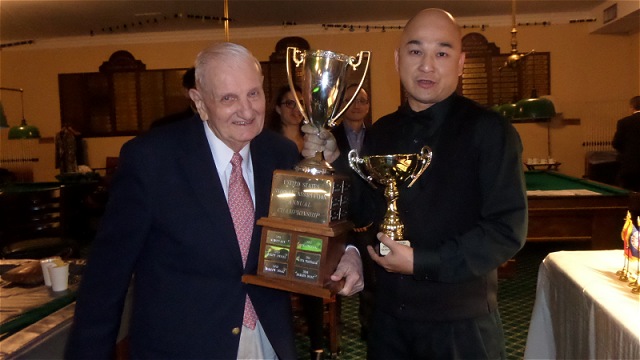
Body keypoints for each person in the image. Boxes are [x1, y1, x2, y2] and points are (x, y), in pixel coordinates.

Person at [65, 42, 363, 360]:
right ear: (200, 102)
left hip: (267, 340)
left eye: (253, 93)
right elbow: (107, 276)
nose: (247, 111)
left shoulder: (281, 153)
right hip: (183, 347)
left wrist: (348, 253)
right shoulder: (151, 159)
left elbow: (311, 230)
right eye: (228, 98)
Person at [303, 8, 527, 359]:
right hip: (387, 320)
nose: (427, 65)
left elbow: (506, 231)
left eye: (442, 52)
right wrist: (353, 253)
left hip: (460, 326)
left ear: (461, 62)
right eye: (415, 50)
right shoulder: (380, 132)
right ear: (397, 59)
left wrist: (422, 261)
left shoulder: (491, 131)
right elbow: (367, 213)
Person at [331, 84, 376, 340]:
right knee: (334, 275)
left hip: (369, 217)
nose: (357, 105)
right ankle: (333, 328)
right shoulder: (330, 136)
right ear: (341, 105)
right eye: (350, 100)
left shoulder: (378, 136)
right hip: (339, 215)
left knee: (371, 277)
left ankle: (368, 327)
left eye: (362, 100)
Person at [612, 95, 640, 191]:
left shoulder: (624, 122)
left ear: (632, 107)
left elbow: (616, 143)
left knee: (628, 194)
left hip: (630, 165)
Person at [267, 85, 305, 152]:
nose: (297, 108)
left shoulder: (310, 139)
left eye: (300, 103)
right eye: (290, 103)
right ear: (278, 109)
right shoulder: (271, 142)